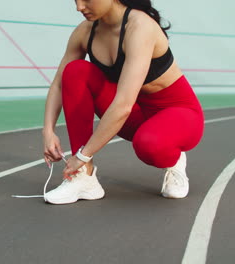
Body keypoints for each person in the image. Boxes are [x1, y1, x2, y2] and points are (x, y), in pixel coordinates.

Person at [42, 0, 204, 204]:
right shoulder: (85, 32)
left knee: (150, 144)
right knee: (75, 71)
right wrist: (48, 131)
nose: (79, 7)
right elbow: (58, 84)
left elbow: (123, 105)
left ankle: (174, 159)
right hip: (134, 115)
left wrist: (82, 155)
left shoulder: (140, 27)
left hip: (177, 114)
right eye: (75, 0)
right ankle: (84, 177)